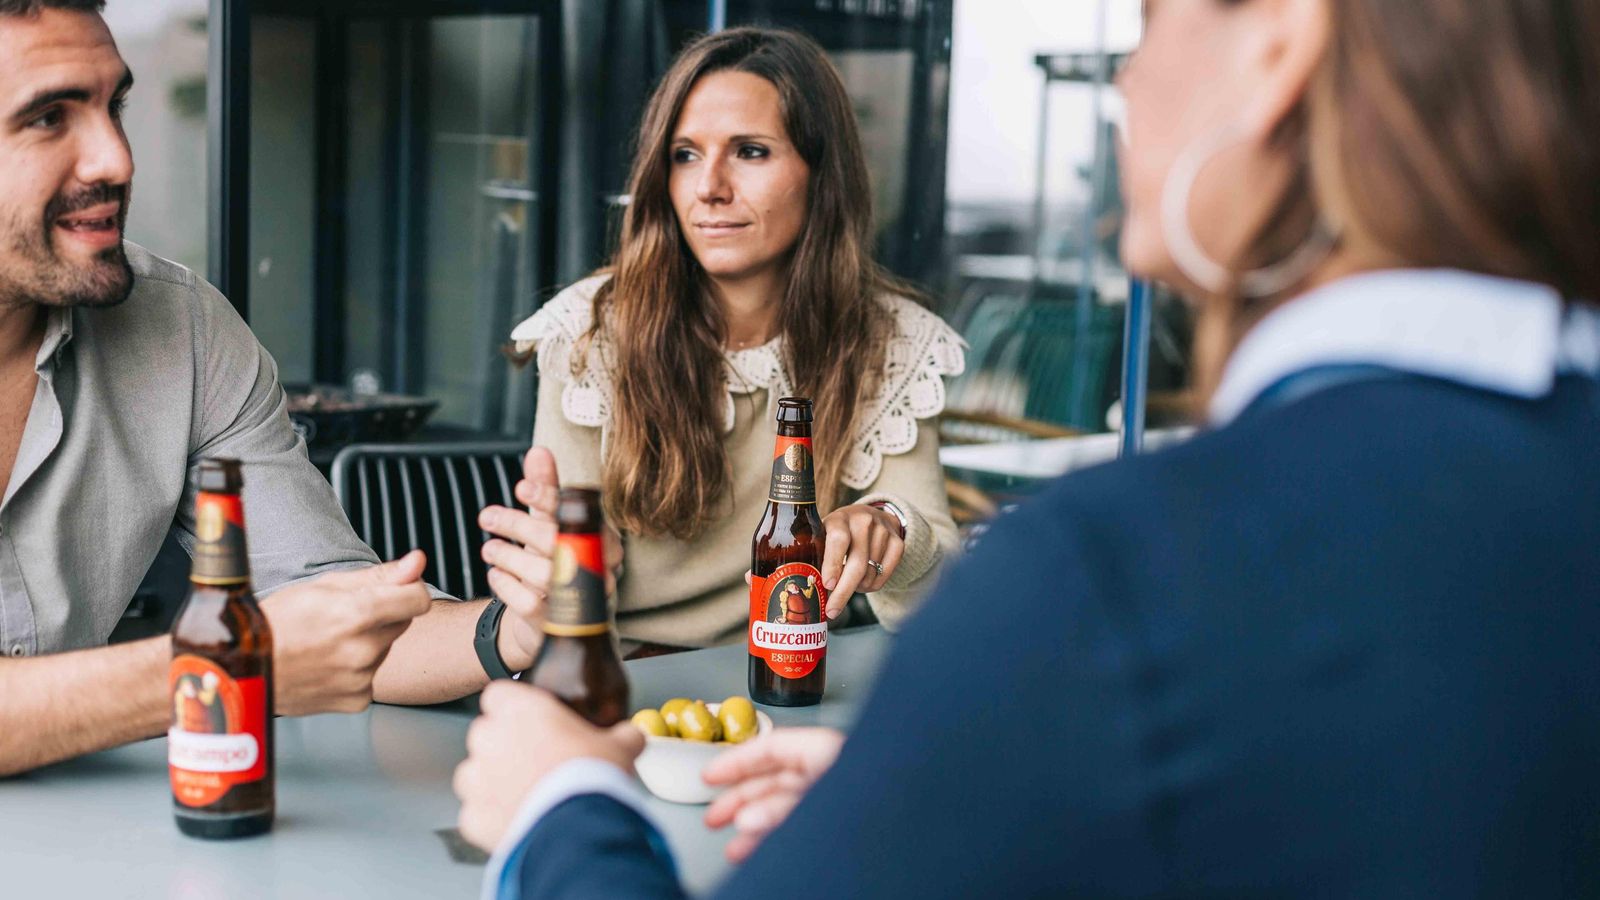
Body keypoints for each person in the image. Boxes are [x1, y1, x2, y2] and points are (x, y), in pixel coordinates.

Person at [454, 0, 1600, 895]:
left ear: (1278, 51)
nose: (1123, 86)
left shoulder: (1108, 578)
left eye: (1148, 25)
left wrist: (559, 814)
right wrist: (947, 787)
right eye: (684, 156)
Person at [0, 0, 550, 776]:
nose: (116, 159)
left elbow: (327, 611)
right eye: (48, 117)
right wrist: (230, 663)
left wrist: (511, 630)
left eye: (112, 105)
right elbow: (275, 651)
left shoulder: (183, 327)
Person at [481, 27, 965, 659]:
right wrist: (579, 554)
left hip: (802, 673)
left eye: (750, 151)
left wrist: (891, 530)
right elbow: (569, 601)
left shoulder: (890, 340)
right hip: (630, 679)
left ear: (822, 174)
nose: (708, 186)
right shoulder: (589, 331)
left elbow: (939, 606)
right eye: (684, 155)